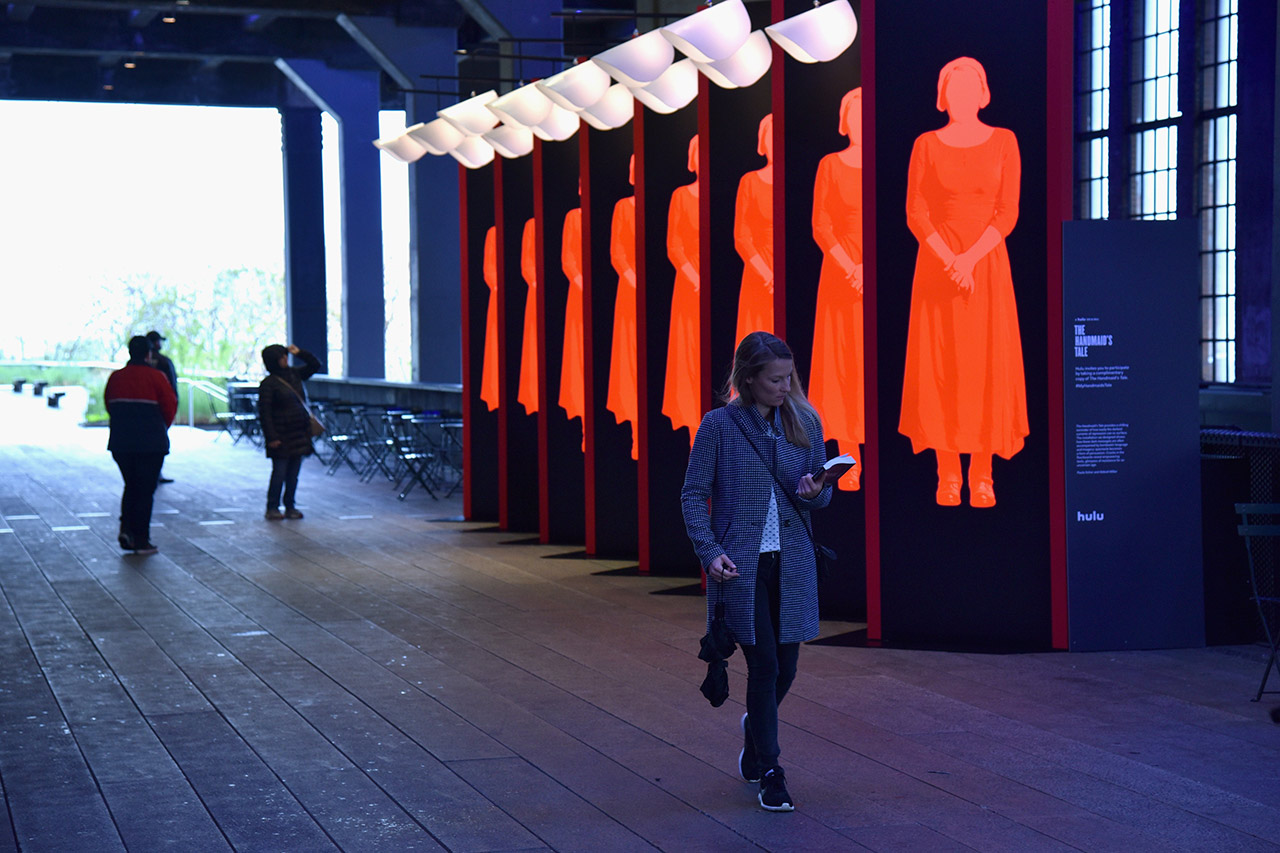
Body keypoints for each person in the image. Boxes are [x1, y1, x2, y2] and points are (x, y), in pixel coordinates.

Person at [680, 331, 833, 812]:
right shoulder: (718, 426)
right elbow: (691, 495)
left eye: (790, 377)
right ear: (748, 379)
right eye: (775, 379)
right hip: (739, 567)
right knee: (763, 665)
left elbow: (822, 495)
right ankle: (771, 769)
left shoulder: (805, 422)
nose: (785, 387)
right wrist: (709, 551)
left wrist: (816, 492)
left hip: (793, 563)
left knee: (786, 666)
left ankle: (755, 727)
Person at [900, 57, 1028, 508]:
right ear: (943, 96)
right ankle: (948, 473)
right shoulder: (926, 144)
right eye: (954, 89)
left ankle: (983, 473)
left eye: (969, 88)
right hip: (938, 264)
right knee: (944, 367)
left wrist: (970, 258)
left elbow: (1007, 210)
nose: (962, 97)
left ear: (983, 92)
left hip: (987, 264)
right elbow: (916, 211)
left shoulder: (1005, 141)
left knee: (984, 366)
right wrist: (949, 258)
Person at [810, 89, 865, 491]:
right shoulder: (830, 164)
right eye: (855, 112)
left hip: (872, 276)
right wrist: (850, 266)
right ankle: (848, 457)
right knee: (842, 365)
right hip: (840, 274)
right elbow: (822, 223)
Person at [104, 335, 177, 554]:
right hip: (151, 444)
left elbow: (110, 405)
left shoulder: (116, 377)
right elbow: (170, 407)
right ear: (149, 354)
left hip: (121, 443)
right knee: (145, 491)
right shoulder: (156, 377)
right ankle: (141, 539)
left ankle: (126, 530)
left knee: (131, 486)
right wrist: (159, 428)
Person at [258, 343, 324, 520]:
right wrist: (271, 437)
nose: (285, 359)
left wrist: (300, 352)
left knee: (293, 474)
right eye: (282, 357)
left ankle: (290, 506)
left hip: (299, 433)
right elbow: (265, 413)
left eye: (285, 356)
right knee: (279, 472)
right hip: (280, 434)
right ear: (273, 361)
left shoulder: (295, 375)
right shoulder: (268, 384)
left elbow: (315, 365)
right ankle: (272, 507)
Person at [146, 330, 178, 484]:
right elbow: (172, 387)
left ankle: (149, 472)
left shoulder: (137, 365)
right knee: (158, 443)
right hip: (160, 410)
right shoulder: (165, 362)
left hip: (145, 410)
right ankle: (156, 472)